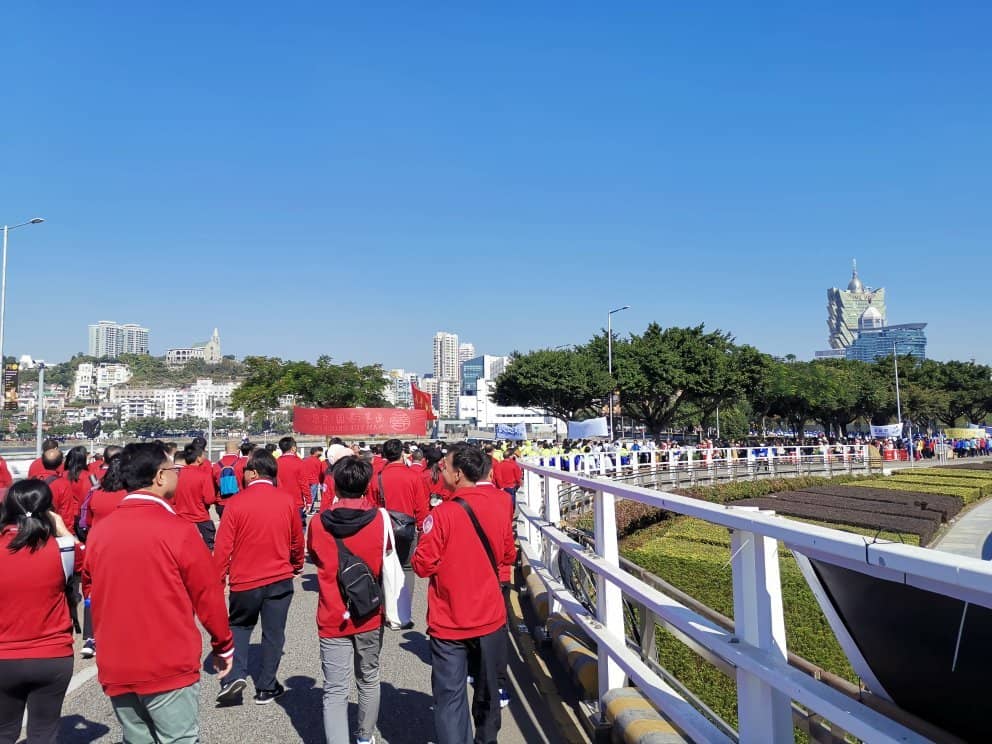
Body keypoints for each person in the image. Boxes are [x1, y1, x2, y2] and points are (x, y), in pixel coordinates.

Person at [82, 442, 234, 744]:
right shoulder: (176, 529)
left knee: (137, 738)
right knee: (179, 738)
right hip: (167, 660)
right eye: (173, 469)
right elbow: (208, 593)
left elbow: (90, 590)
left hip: (117, 661)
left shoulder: (101, 531)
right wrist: (223, 644)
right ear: (159, 477)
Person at [413, 444, 516, 744]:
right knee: (487, 693)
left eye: (444, 467)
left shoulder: (442, 514)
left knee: (449, 696)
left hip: (449, 619)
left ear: (458, 474)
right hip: (489, 615)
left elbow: (422, 565)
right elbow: (507, 554)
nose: (440, 471)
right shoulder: (500, 502)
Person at [213, 448, 304, 705]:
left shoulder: (235, 503)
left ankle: (234, 677)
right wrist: (296, 564)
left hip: (245, 579)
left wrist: (218, 580)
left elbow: (223, 548)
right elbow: (297, 539)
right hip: (279, 577)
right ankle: (266, 686)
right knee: (274, 633)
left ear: (252, 473)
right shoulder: (286, 500)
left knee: (240, 627)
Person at [308, 456, 386, 744]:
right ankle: (365, 737)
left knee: (334, 689)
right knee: (368, 678)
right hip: (368, 613)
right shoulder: (379, 519)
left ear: (335, 485)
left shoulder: (318, 523)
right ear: (367, 485)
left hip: (332, 614)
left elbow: (314, 555)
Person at [0, 480, 76, 744]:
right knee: (44, 732)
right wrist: (62, 528)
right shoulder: (63, 549)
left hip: (3, 655)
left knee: (4, 731)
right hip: (52, 654)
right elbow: (89, 560)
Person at [370, 438, 428, 611]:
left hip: (384, 528)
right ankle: (403, 610)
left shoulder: (376, 478)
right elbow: (421, 507)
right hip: (407, 527)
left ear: (384, 455)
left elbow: (371, 506)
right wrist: (421, 530)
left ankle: (386, 609)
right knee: (407, 568)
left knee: (384, 568)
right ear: (402, 453)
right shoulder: (413, 476)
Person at [173, 445, 218, 549]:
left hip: (181, 519)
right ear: (198, 458)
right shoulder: (203, 476)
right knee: (207, 551)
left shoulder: (177, 476)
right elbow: (209, 499)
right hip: (200, 518)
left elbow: (172, 499)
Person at [274, 436, 308, 528]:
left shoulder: (275, 463)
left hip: (279, 501)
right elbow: (304, 483)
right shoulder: (300, 463)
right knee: (299, 528)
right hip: (296, 502)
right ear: (293, 448)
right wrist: (308, 500)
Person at [213, 440, 248, 517]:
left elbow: (214, 487)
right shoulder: (243, 463)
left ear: (225, 450)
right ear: (238, 451)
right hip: (240, 502)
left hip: (222, 504)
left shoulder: (216, 465)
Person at [304, 446, 325, 514]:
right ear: (315, 452)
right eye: (319, 451)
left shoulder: (305, 460)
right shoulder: (318, 461)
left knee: (310, 495)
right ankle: (309, 509)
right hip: (314, 480)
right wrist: (321, 481)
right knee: (313, 495)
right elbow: (320, 472)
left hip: (306, 480)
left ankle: (312, 509)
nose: (321, 453)